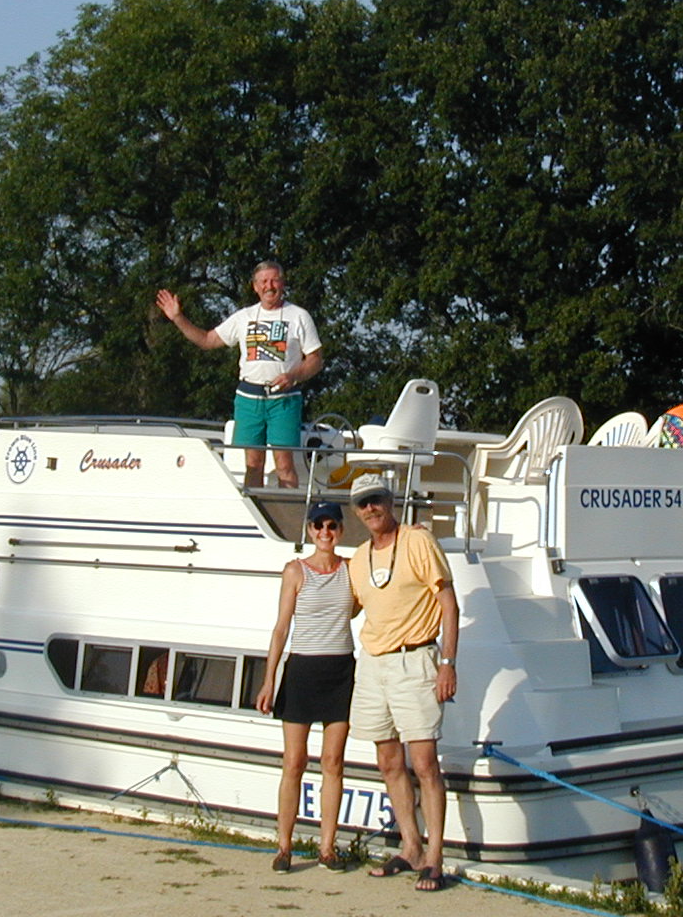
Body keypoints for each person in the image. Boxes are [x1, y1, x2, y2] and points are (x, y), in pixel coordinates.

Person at [344, 473, 459, 892]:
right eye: (362, 503)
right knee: (389, 763)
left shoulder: (418, 541)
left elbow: (449, 603)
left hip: (417, 660)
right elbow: (352, 605)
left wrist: (448, 663)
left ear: (389, 501)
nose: (370, 509)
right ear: (355, 511)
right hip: (373, 665)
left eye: (376, 500)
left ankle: (435, 857)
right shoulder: (357, 558)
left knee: (426, 764)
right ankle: (410, 846)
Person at [156, 261, 323, 489]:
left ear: (282, 283)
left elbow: (315, 359)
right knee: (253, 464)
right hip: (249, 398)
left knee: (284, 464)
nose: (269, 286)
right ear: (255, 287)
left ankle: (288, 515)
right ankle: (256, 515)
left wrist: (293, 375)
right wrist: (178, 318)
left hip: (284, 400)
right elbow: (207, 340)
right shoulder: (244, 316)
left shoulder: (299, 316)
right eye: (263, 281)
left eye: (274, 280)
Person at [256, 500, 357, 873]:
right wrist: (269, 680)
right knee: (294, 762)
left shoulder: (351, 569)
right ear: (310, 530)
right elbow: (281, 627)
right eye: (319, 526)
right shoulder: (295, 571)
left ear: (341, 530)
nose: (325, 533)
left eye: (332, 525)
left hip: (340, 670)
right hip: (301, 671)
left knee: (333, 762)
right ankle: (284, 846)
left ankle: (327, 848)